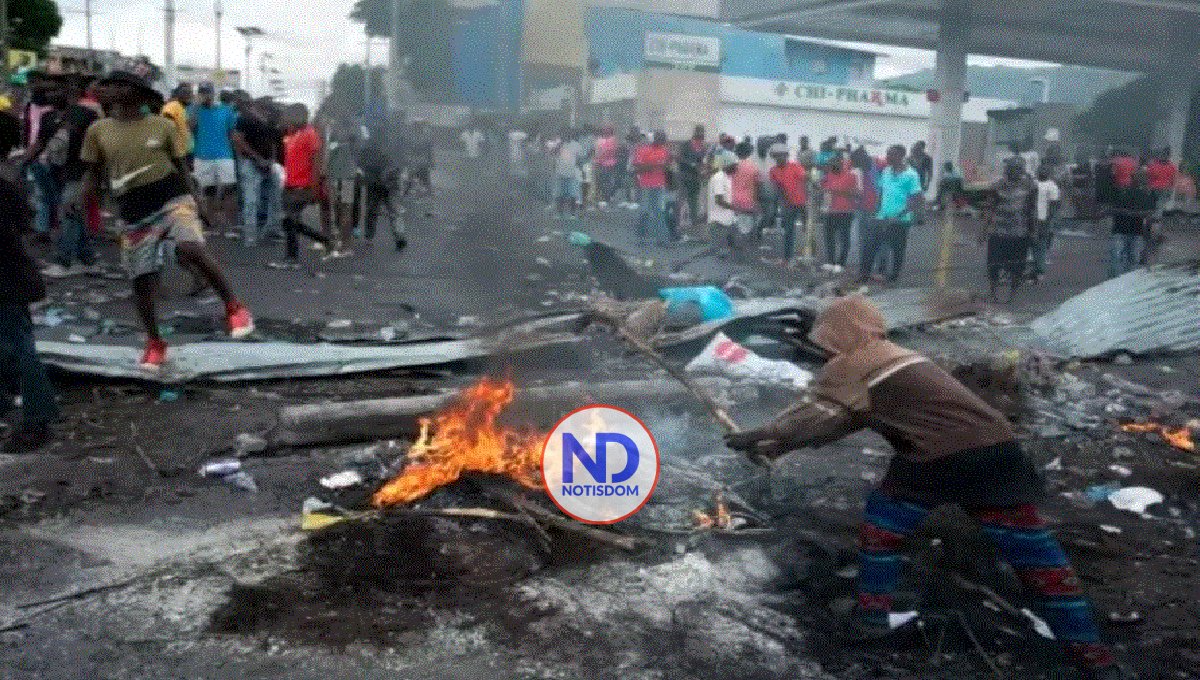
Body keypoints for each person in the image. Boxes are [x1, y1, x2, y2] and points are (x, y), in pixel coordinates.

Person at [724, 295, 1133, 680]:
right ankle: (1093, 655)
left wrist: (763, 434)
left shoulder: (854, 362)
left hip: (935, 455)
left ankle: (872, 617)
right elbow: (843, 420)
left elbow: (817, 412)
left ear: (839, 334)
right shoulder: (900, 356)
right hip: (998, 452)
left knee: (883, 528)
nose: (823, 347)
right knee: (1037, 557)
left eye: (826, 338)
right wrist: (778, 447)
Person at [78, 71, 254, 370]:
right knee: (142, 283)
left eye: (121, 85)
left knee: (190, 248)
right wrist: (83, 206)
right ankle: (155, 341)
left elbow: (182, 169)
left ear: (140, 94)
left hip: (172, 199)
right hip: (133, 212)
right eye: (109, 85)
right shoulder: (98, 131)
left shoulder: (163, 126)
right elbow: (93, 174)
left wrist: (198, 203)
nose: (112, 90)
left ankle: (233, 307)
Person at [0, 173, 59, 453]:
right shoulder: (8, 184)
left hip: (7, 281)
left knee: (20, 349)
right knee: (16, 345)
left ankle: (37, 420)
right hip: (13, 278)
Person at [41, 76, 101, 278]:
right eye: (48, 91)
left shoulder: (86, 115)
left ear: (68, 92)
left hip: (79, 172)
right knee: (74, 216)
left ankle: (64, 261)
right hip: (56, 172)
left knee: (69, 213)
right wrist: (24, 162)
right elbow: (41, 143)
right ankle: (88, 260)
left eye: (54, 90)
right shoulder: (48, 117)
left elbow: (98, 145)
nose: (50, 94)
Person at [277, 103, 335, 268]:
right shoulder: (293, 133)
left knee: (290, 220)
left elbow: (316, 162)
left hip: (303, 186)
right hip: (291, 183)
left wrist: (314, 187)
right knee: (290, 221)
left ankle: (293, 257)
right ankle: (324, 240)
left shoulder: (309, 134)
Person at [861, 145, 923, 283]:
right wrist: (875, 210)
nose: (887, 157)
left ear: (901, 156)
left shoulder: (911, 175)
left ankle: (893, 277)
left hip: (900, 220)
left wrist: (900, 215)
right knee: (870, 245)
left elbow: (918, 199)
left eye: (891, 155)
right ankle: (864, 275)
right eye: (887, 154)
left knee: (897, 249)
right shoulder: (886, 171)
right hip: (882, 217)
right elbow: (881, 192)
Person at [230, 97, 283, 247]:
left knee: (274, 198)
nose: (269, 111)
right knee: (252, 200)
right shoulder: (245, 119)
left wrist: (271, 160)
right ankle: (250, 235)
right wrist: (256, 158)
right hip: (250, 162)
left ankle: (271, 230)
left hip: (267, 162)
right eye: (267, 108)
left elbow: (274, 143)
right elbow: (238, 140)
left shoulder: (270, 121)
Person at [188, 83, 238, 234]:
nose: (206, 95)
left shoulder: (225, 110)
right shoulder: (193, 109)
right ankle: (210, 225)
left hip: (224, 155)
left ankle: (230, 225)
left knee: (229, 190)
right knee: (207, 192)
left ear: (213, 93)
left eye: (208, 92)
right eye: (202, 93)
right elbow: (189, 127)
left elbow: (232, 133)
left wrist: (233, 153)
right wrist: (196, 106)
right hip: (202, 156)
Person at [984, 158, 1037, 301]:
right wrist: (984, 230)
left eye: (1019, 169)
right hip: (999, 232)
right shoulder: (996, 186)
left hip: (1020, 233)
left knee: (1017, 267)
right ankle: (993, 293)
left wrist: (1033, 231)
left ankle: (1012, 295)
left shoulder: (1030, 187)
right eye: (1013, 169)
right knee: (993, 265)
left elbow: (1032, 210)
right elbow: (989, 208)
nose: (1017, 172)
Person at [357, 127, 405, 251]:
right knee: (393, 212)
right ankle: (398, 236)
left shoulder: (368, 148)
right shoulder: (392, 146)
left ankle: (369, 238)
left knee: (372, 212)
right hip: (388, 184)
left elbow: (361, 164)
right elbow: (399, 164)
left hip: (376, 184)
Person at [1109, 165, 1154, 278]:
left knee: (1120, 258)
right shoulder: (1145, 195)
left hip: (1123, 229)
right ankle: (1125, 283)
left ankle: (1117, 283)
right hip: (1133, 231)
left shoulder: (1123, 191)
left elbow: (1113, 209)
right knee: (1130, 259)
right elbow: (1148, 215)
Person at [768, 142, 807, 264]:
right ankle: (788, 256)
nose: (779, 158)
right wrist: (783, 203)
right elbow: (778, 188)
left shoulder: (796, 167)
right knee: (789, 230)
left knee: (807, 228)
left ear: (786, 155)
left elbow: (805, 180)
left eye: (782, 155)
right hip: (787, 204)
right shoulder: (773, 170)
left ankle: (806, 253)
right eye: (777, 156)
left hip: (801, 202)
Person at [323, 122, 359, 254]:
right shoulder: (353, 141)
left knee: (337, 208)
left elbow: (327, 158)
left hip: (335, 177)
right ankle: (345, 244)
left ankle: (338, 240)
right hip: (347, 177)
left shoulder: (332, 140)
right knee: (346, 210)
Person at [632, 130, 672, 245]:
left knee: (659, 211)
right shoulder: (643, 150)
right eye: (660, 138)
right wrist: (656, 166)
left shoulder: (665, 151)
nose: (662, 140)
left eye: (663, 138)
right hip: (646, 185)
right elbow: (638, 167)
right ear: (655, 138)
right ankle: (641, 238)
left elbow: (667, 167)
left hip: (660, 185)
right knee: (645, 211)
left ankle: (662, 239)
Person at [821, 153, 857, 271]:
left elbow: (855, 194)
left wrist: (837, 192)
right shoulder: (827, 176)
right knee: (829, 238)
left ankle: (841, 263)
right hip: (830, 211)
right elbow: (823, 190)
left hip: (845, 211)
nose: (832, 166)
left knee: (844, 238)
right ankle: (830, 261)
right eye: (831, 164)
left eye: (835, 164)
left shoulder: (851, 176)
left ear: (841, 163)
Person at [729, 141, 761, 258]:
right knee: (747, 227)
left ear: (736, 152)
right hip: (748, 201)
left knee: (736, 223)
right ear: (749, 152)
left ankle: (735, 249)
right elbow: (757, 186)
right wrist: (756, 202)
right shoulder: (753, 167)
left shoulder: (731, 166)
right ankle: (744, 251)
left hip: (733, 200)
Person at [1030, 168, 1061, 282]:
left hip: (1036, 220)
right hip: (1043, 220)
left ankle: (1037, 269)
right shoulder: (1052, 186)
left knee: (1035, 245)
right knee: (1041, 246)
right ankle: (1039, 270)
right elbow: (1055, 205)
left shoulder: (1034, 184)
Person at [707, 151, 738, 250]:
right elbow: (719, 201)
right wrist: (736, 208)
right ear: (728, 165)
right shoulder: (719, 178)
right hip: (718, 222)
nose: (736, 167)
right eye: (734, 165)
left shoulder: (727, 177)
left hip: (726, 219)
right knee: (722, 252)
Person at [678, 125, 708, 229]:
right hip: (684, 176)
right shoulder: (686, 145)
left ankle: (693, 221)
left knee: (694, 200)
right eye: (699, 132)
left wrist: (703, 169)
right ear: (695, 133)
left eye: (702, 132)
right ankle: (678, 223)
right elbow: (680, 158)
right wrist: (693, 165)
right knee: (681, 199)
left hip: (696, 178)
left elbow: (703, 161)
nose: (701, 134)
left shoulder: (703, 147)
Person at [553, 129, 584, 219]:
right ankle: (559, 213)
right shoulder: (559, 145)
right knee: (560, 195)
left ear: (571, 135)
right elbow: (553, 153)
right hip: (560, 173)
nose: (566, 136)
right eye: (564, 135)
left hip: (571, 174)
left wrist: (578, 167)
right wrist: (558, 146)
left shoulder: (576, 145)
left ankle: (573, 214)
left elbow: (581, 157)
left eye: (568, 135)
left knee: (572, 195)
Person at [401, 121, 435, 197]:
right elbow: (405, 148)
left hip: (422, 162)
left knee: (425, 180)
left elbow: (430, 150)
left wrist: (431, 161)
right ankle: (405, 195)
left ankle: (428, 195)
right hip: (413, 161)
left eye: (419, 126)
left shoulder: (426, 136)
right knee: (410, 179)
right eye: (416, 126)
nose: (418, 127)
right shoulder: (409, 136)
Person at [161, 83, 194, 155]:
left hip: (184, 150)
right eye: (189, 97)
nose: (190, 100)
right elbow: (166, 120)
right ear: (182, 96)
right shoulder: (173, 105)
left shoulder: (181, 107)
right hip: (176, 151)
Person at [594, 125, 620, 207]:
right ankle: (602, 198)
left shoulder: (613, 139)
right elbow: (597, 151)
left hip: (609, 163)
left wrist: (603, 154)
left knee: (608, 181)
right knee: (600, 181)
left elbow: (612, 150)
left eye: (607, 130)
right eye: (604, 130)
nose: (605, 131)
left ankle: (607, 198)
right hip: (599, 163)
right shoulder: (599, 140)